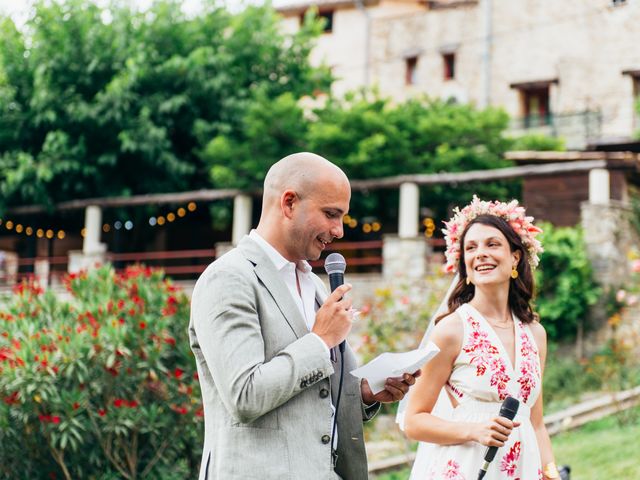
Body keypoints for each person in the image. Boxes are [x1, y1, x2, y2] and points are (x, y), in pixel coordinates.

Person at [189, 152, 418, 480]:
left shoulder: (311, 282)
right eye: (330, 214)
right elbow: (245, 395)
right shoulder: (228, 278)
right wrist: (320, 340)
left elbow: (321, 391)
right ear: (289, 203)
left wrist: (366, 393)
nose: (338, 230)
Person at [403, 196, 560, 480]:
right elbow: (413, 421)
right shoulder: (451, 330)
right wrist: (473, 430)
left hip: (522, 470)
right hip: (465, 469)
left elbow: (535, 423)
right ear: (464, 263)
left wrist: (551, 472)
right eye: (471, 247)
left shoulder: (536, 334)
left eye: (492, 244)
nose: (481, 253)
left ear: (515, 257)